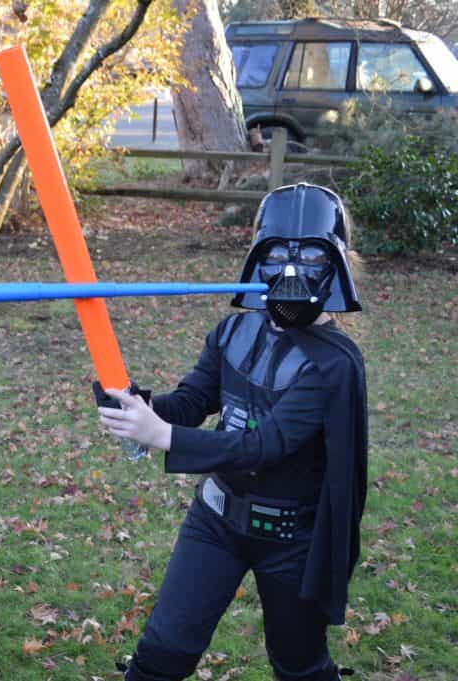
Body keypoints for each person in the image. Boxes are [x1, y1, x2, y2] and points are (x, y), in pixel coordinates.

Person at [98, 183, 367, 681]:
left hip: (292, 542)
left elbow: (262, 447)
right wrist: (144, 408)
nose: (291, 271)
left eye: (310, 255)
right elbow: (195, 400)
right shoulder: (232, 332)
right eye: (276, 254)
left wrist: (161, 436)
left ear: (338, 263)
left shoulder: (335, 366)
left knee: (300, 666)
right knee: (162, 652)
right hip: (216, 522)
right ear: (256, 258)